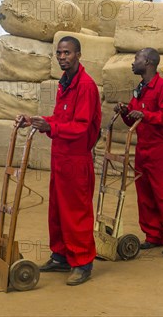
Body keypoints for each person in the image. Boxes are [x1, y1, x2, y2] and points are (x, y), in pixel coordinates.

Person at [20, 36, 101, 286]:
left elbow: (80, 126)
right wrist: (34, 120)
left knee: (76, 212)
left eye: (67, 53)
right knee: (57, 210)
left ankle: (82, 262)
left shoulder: (85, 86)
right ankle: (61, 256)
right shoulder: (64, 83)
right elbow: (58, 117)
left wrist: (51, 127)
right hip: (60, 156)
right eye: (59, 53)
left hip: (76, 159)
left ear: (78, 54)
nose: (62, 57)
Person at [114, 47, 163, 257]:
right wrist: (125, 112)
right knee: (144, 195)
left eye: (136, 58)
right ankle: (154, 234)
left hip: (160, 150)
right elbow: (133, 119)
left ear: (148, 62)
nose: (132, 62)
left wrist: (144, 114)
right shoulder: (140, 89)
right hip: (142, 149)